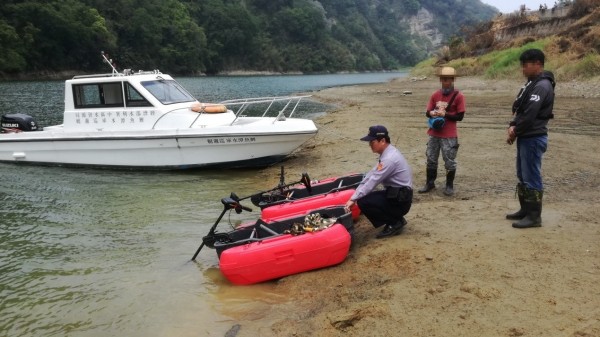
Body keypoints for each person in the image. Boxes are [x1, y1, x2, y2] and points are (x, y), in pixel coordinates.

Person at [506, 49, 555, 228]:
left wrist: (515, 130)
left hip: (533, 137)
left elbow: (530, 114)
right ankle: (525, 209)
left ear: (537, 64)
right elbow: (521, 109)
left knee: (532, 175)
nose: (523, 69)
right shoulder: (532, 84)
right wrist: (513, 125)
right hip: (526, 136)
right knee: (523, 173)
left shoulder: (541, 86)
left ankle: (534, 216)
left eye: (526, 65)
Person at [344, 125, 413, 238]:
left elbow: (373, 182)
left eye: (372, 141)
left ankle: (395, 223)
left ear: (382, 141)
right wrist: (354, 195)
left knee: (364, 202)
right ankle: (396, 218)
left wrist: (354, 199)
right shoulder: (387, 153)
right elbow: (371, 175)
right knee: (364, 197)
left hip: (401, 199)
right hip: (397, 194)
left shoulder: (389, 159)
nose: (370, 145)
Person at [417, 66, 466, 196]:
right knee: (431, 158)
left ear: (453, 80)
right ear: (440, 80)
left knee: (449, 160)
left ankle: (449, 186)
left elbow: (460, 116)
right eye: (443, 79)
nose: (445, 82)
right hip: (434, 133)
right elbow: (428, 112)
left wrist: (445, 115)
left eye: (448, 79)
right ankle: (430, 183)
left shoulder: (459, 96)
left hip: (449, 135)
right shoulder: (435, 95)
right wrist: (432, 113)